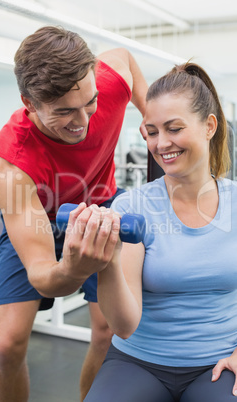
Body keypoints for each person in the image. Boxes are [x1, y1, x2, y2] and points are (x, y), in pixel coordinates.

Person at [0, 25, 148, 402]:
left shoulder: (106, 84)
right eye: (63, 112)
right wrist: (73, 267)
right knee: (6, 346)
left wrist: (148, 111)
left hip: (102, 206)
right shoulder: (11, 163)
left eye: (89, 103)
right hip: (37, 219)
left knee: (107, 332)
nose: (83, 120)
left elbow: (123, 56)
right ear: (29, 102)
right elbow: (45, 276)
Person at [82, 62, 237, 401]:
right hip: (139, 361)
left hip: (219, 361)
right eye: (152, 132)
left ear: (209, 126)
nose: (161, 143)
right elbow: (123, 325)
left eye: (174, 128)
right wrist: (107, 261)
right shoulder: (131, 207)